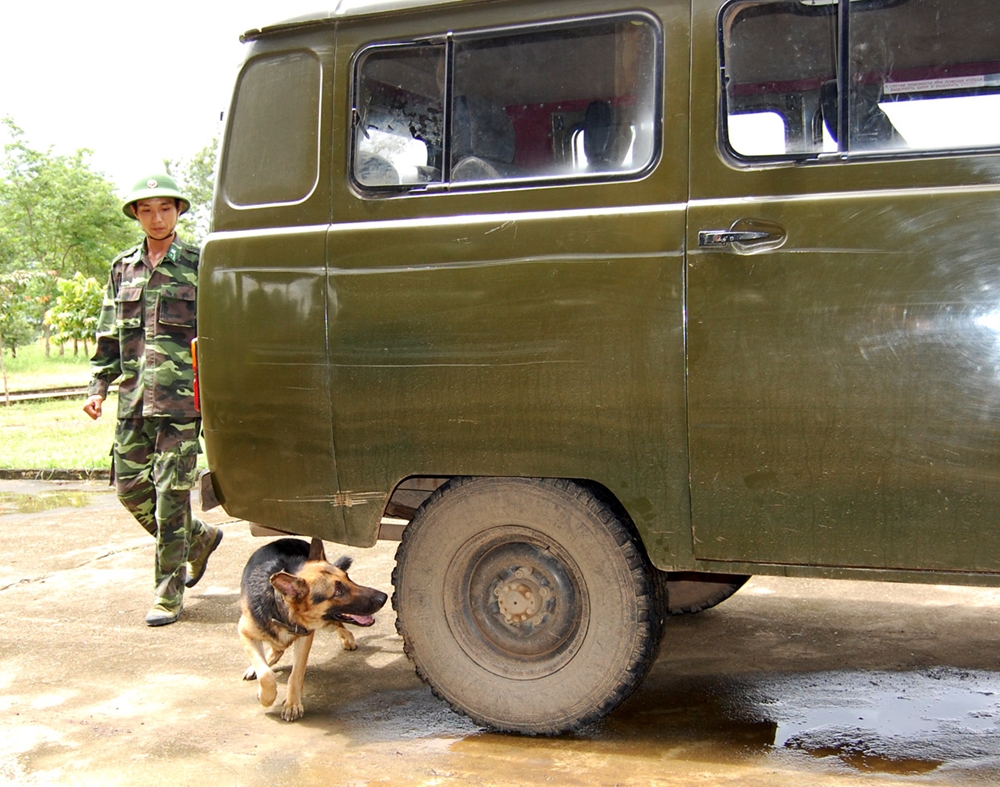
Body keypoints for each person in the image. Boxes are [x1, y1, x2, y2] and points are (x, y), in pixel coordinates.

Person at [83, 174, 222, 627]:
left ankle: (168, 594)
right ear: (136, 215)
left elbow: (219, 332)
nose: (156, 218)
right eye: (146, 210)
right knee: (129, 490)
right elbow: (109, 333)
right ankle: (198, 539)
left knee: (171, 496)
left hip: (182, 404)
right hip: (133, 399)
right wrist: (98, 388)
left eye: (165, 208)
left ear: (178, 211)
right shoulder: (122, 267)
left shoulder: (199, 264)